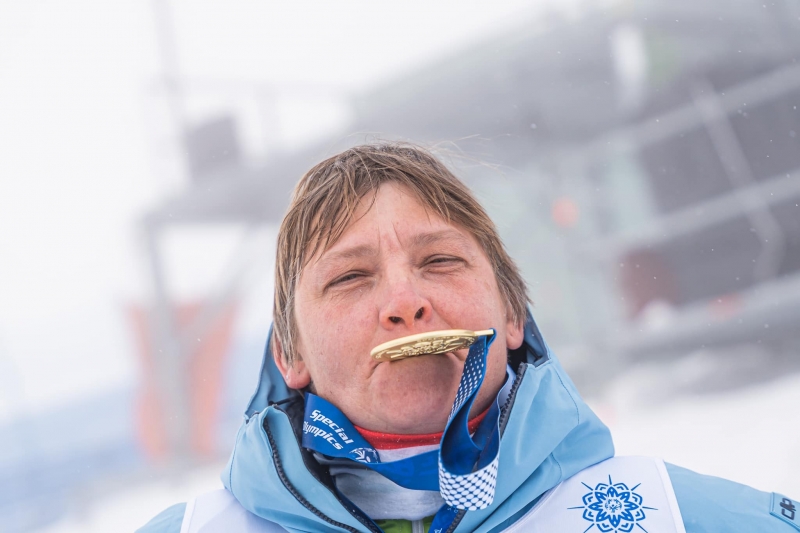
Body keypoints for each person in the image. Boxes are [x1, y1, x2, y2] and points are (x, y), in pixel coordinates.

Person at [138, 143, 799, 533]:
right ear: (290, 355)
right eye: (350, 277)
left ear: (513, 316)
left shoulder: (671, 516)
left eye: (440, 261)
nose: (405, 301)